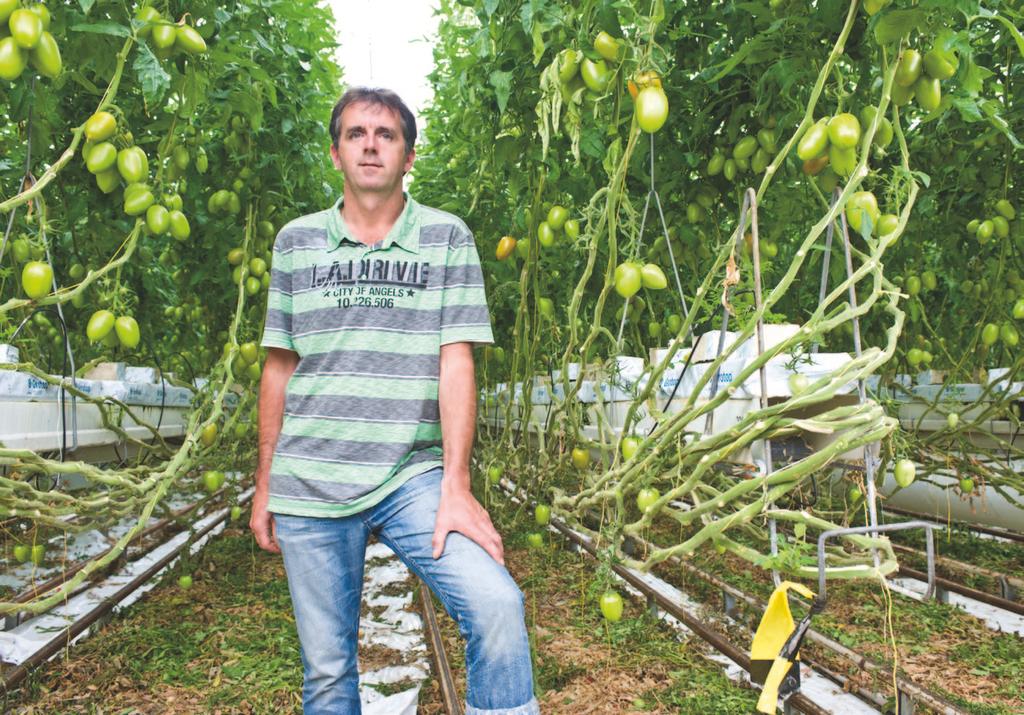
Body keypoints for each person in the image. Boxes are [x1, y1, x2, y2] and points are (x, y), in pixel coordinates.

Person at [249, 86, 540, 715]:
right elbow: (279, 366)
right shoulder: (296, 242)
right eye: (356, 134)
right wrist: (265, 481)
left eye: (386, 135)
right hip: (312, 479)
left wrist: (456, 486)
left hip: (412, 476)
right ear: (335, 154)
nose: (371, 145)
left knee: (497, 605)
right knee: (327, 675)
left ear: (409, 155)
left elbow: (456, 360)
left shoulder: (446, 238)